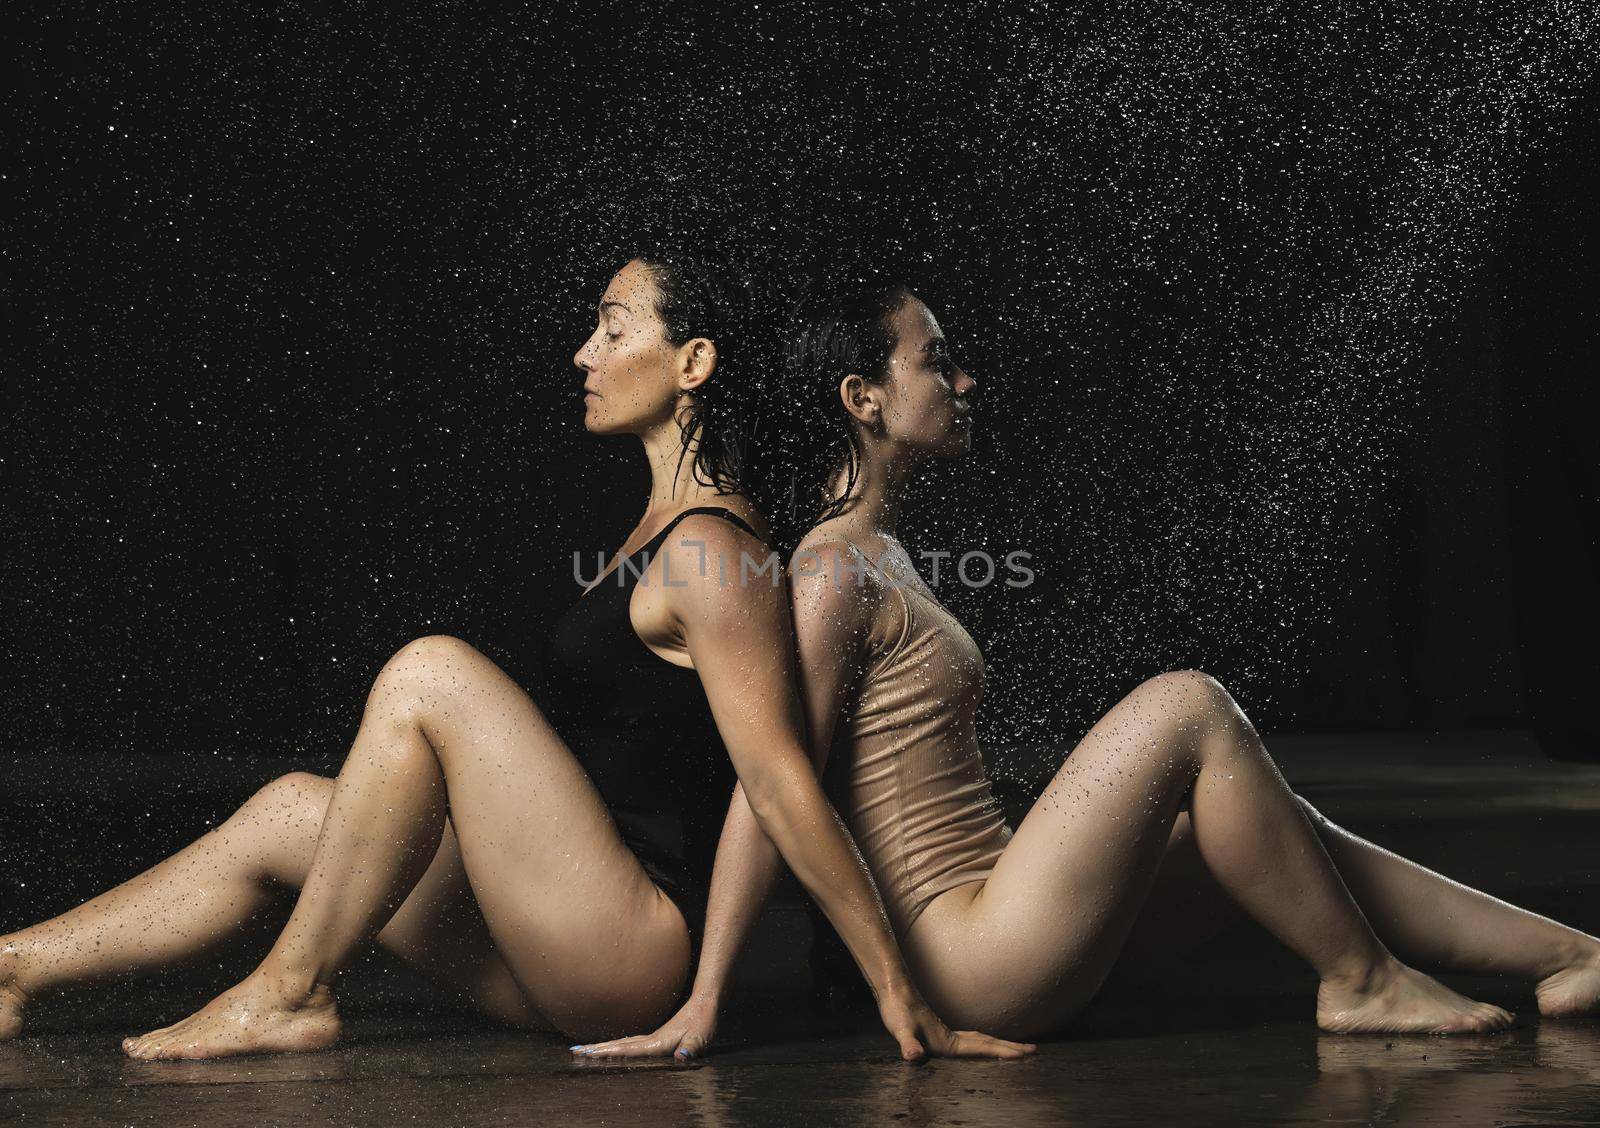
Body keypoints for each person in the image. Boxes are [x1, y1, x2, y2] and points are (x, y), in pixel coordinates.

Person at [0, 252, 1030, 1063]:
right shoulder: (654, 532)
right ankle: (14, 967)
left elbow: (778, 782)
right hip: (563, 915)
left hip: (630, 942)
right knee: (287, 813)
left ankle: (290, 993)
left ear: (694, 364)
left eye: (612, 328)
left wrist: (894, 992)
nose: (584, 354)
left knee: (429, 673)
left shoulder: (715, 551)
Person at [576, 272, 1600, 1057]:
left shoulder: (870, 556)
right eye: (936, 361)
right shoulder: (828, 573)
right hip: (975, 954)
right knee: (1187, 707)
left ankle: (1567, 956)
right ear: (865, 399)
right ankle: (1363, 982)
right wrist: (711, 995)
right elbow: (772, 787)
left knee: (1257, 823)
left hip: (999, 909)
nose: (963, 380)